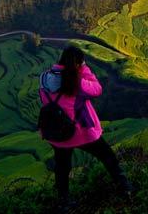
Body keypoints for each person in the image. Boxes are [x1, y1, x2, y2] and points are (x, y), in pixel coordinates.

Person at [39, 46, 132, 206]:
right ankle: (125, 188)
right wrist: (85, 69)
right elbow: (97, 89)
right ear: (78, 63)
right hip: (80, 131)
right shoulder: (77, 82)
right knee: (108, 157)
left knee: (62, 168)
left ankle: (64, 202)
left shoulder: (44, 79)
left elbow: (45, 100)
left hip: (56, 133)